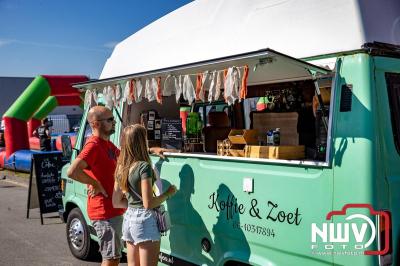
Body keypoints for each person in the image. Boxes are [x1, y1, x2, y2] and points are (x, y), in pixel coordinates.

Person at [67, 106, 167, 266]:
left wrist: (149, 149)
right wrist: (95, 183)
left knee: (115, 256)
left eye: (113, 119)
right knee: (112, 258)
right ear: (95, 124)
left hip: (113, 209)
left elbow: (128, 153)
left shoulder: (107, 145)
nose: (114, 122)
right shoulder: (93, 145)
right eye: (109, 120)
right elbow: (72, 171)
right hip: (104, 211)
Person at [112, 124, 177, 266]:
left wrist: (133, 204)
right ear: (142, 141)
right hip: (144, 220)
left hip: (129, 218)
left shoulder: (121, 166)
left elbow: (116, 202)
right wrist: (168, 193)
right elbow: (148, 203)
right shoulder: (144, 167)